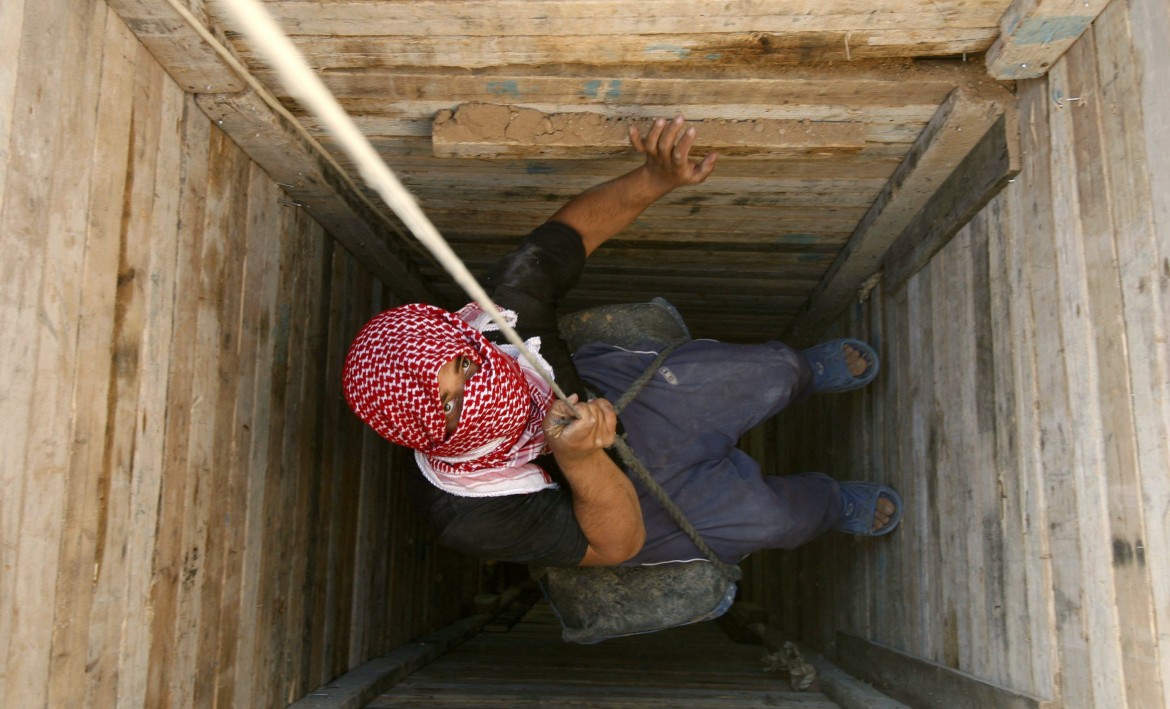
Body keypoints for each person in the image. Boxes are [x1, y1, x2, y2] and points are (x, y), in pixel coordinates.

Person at [342, 116, 901, 569]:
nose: (480, 379)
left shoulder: (502, 321)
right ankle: (832, 503)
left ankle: (803, 371)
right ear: (428, 433)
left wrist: (653, 180)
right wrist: (581, 461)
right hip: (617, 505)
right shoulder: (466, 510)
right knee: (776, 521)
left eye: (464, 362)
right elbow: (616, 547)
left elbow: (567, 235)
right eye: (455, 400)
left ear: (460, 335)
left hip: (624, 401)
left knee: (772, 370)